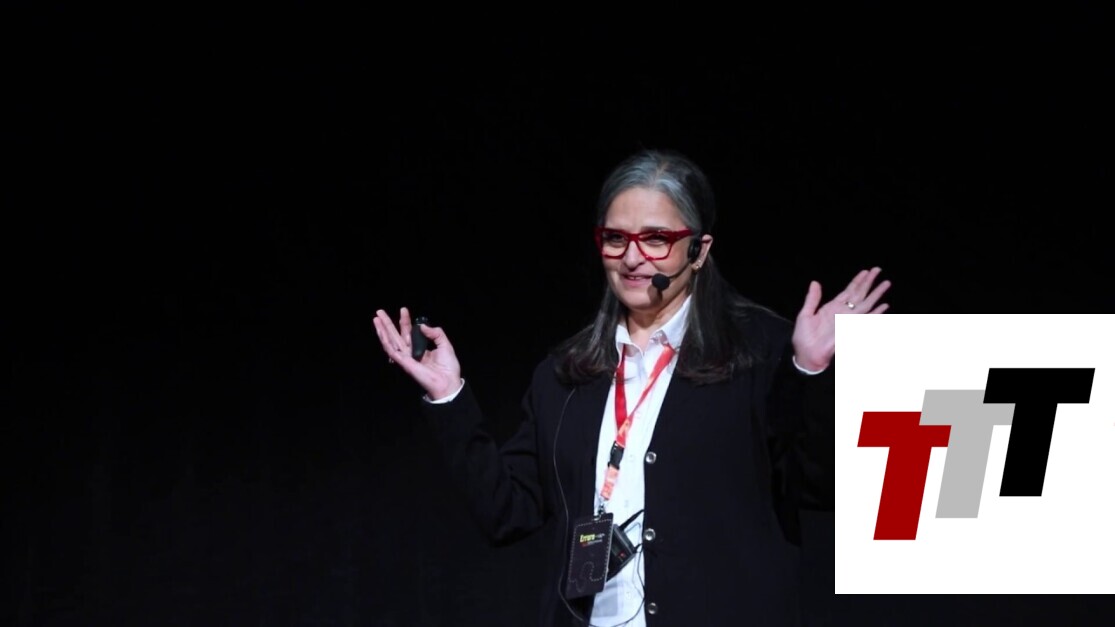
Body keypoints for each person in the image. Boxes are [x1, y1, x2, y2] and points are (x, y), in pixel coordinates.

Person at [373, 148, 891, 626]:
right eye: (616, 238)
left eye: (656, 239)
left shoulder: (759, 351)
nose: (633, 258)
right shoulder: (566, 373)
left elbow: (817, 485)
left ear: (699, 249)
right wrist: (450, 397)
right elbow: (506, 513)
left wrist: (809, 373)